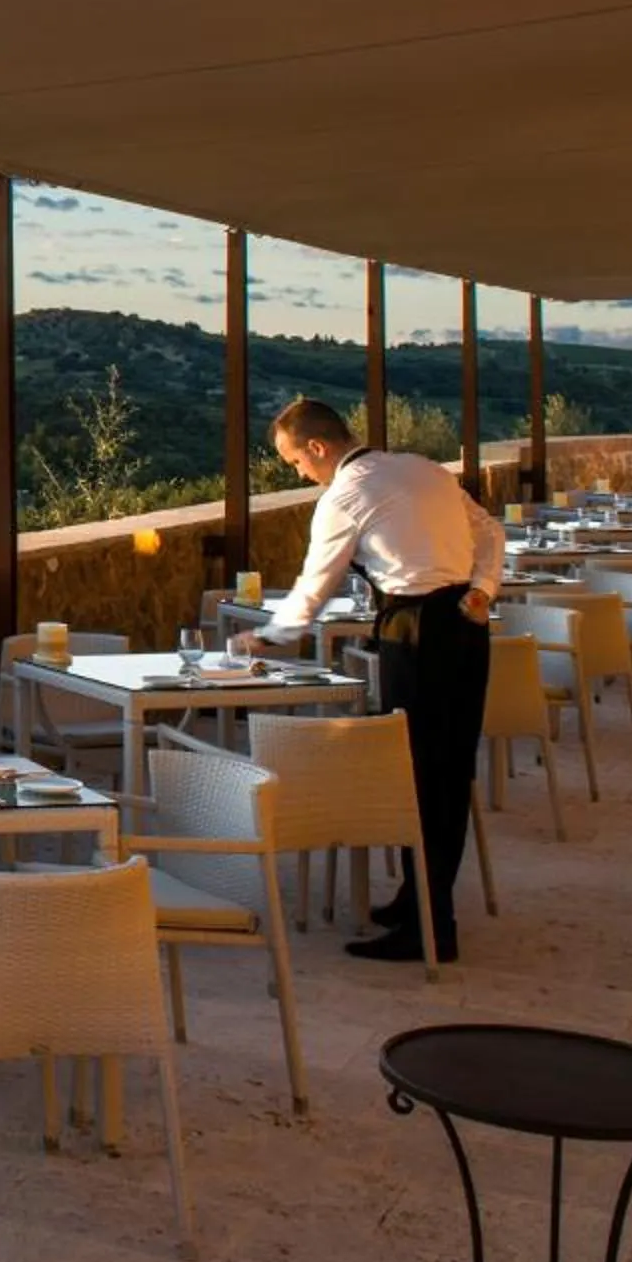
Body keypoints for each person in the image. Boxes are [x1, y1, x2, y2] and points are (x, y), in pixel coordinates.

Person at [245, 397, 500, 963]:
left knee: (419, 774)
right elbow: (489, 530)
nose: (299, 474)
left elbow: (316, 585)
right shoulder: (422, 467)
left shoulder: (345, 494)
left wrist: (266, 638)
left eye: (295, 463)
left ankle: (431, 929)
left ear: (318, 446)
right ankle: (422, 901)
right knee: (449, 771)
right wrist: (482, 590)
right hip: (466, 625)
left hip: (416, 632)